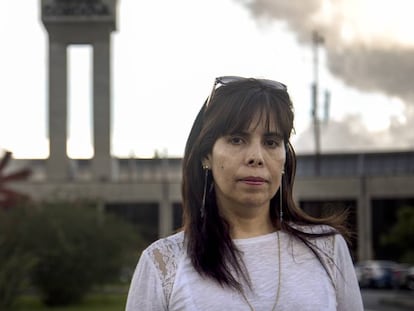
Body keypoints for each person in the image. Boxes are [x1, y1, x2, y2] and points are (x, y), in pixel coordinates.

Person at [125, 76, 364, 310]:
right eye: (237, 139)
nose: (256, 157)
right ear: (206, 155)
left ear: (284, 159)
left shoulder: (328, 248)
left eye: (270, 142)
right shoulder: (163, 263)